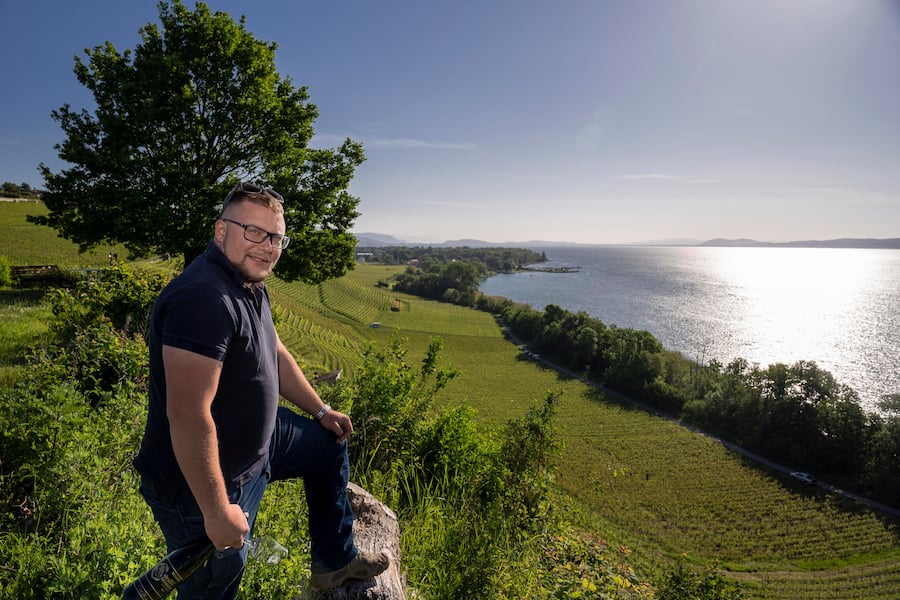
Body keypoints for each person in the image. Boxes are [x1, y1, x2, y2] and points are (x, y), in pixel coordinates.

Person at [134, 182, 390, 597]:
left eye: (276, 237)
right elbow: (187, 414)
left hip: (260, 446)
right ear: (221, 231)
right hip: (203, 480)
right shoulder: (203, 298)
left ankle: (334, 562)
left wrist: (321, 411)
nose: (268, 246)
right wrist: (217, 512)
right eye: (254, 231)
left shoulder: (249, 280)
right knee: (213, 587)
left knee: (328, 445)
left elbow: (273, 349)